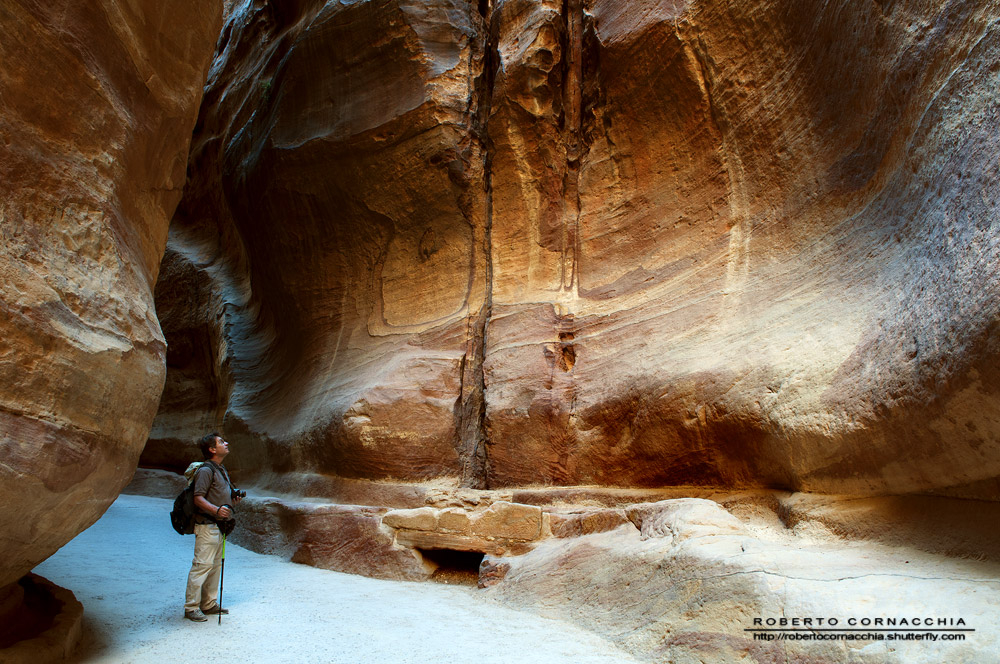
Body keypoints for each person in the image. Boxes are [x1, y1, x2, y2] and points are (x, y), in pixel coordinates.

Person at [184, 433, 242, 622]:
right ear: (212, 449)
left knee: (215, 565)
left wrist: (232, 500)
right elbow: (198, 498)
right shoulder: (206, 471)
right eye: (221, 442)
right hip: (207, 524)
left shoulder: (221, 469)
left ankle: (208, 604)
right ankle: (191, 607)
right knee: (202, 566)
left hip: (219, 525)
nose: (226, 443)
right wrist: (216, 510)